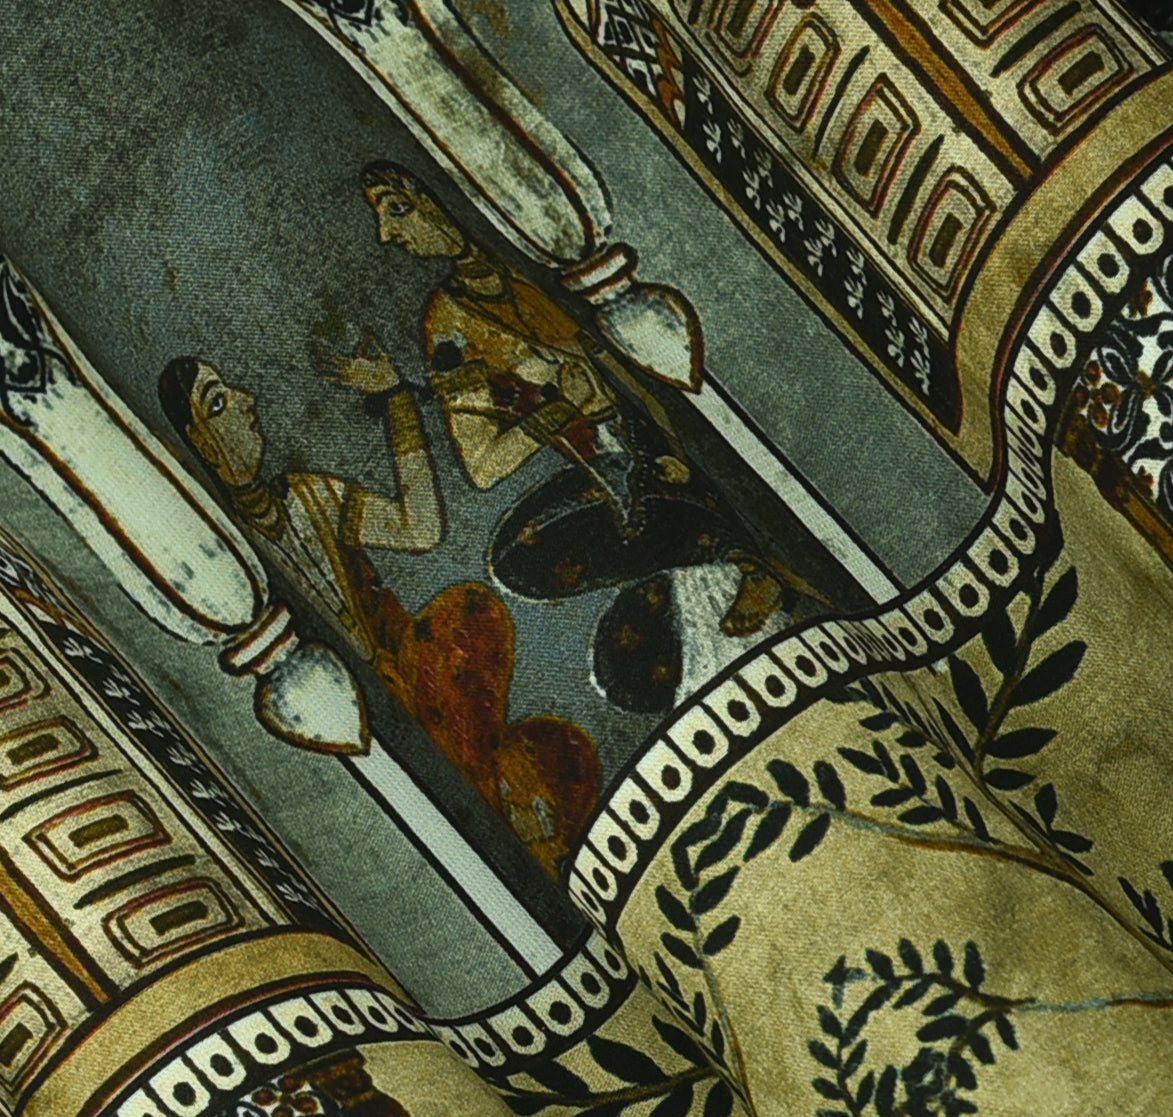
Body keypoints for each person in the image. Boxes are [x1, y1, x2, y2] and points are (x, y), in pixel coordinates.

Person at [361, 163, 830, 712]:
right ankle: (725, 550)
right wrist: (560, 407)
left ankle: (734, 550)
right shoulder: (450, 320)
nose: (389, 234)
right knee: (517, 561)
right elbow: (483, 465)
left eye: (399, 210)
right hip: (619, 463)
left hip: (679, 415)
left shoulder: (539, 248)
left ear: (439, 195)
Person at [158, 349, 599, 877]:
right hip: (346, 710)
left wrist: (396, 402)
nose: (246, 402)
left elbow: (419, 526)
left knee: (474, 619)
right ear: (201, 442)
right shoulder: (226, 559)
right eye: (219, 403)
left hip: (402, 670)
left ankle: (510, 817)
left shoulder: (308, 495)